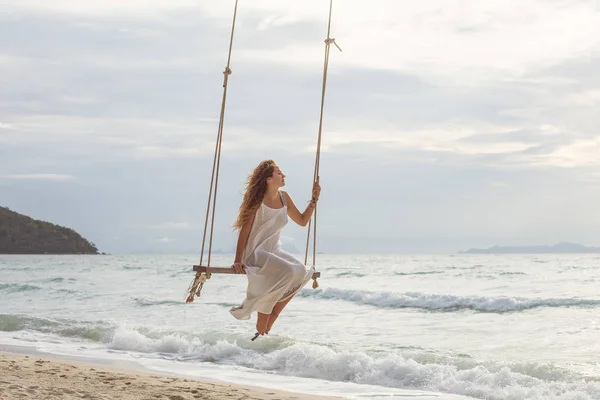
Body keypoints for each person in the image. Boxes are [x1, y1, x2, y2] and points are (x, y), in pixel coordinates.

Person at [229, 159, 321, 337]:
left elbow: (302, 221)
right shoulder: (257, 201)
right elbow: (245, 230)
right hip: (256, 252)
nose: (283, 175)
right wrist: (238, 259)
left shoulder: (284, 198)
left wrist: (314, 200)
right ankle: (266, 310)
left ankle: (272, 314)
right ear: (268, 179)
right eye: (279, 173)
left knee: (301, 271)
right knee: (288, 271)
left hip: (274, 251)